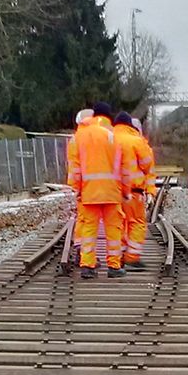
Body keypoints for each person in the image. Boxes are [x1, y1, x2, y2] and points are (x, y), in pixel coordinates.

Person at [67, 102, 126, 278]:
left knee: (89, 230)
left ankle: (88, 266)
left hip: (88, 192)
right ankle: (114, 267)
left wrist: (76, 188)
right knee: (113, 229)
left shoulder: (78, 137)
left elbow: (74, 167)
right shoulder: (113, 136)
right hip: (111, 192)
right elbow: (122, 166)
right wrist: (125, 190)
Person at [114, 112, 156, 269]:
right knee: (136, 223)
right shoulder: (137, 141)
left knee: (117, 224)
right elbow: (147, 166)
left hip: (113, 191)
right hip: (133, 192)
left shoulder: (109, 138)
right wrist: (151, 191)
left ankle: (117, 257)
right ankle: (132, 257)